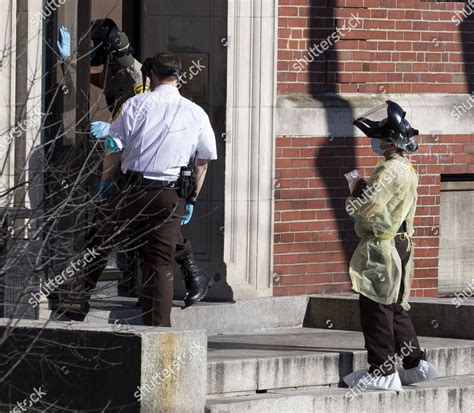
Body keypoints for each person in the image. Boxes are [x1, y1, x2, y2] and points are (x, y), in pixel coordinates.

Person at [56, 21, 213, 308]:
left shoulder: (137, 74)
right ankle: (188, 278)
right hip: (134, 169)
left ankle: (76, 294)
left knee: (111, 232)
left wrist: (112, 134)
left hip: (136, 164)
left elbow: (143, 112)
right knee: (138, 229)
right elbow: (88, 79)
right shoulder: (117, 71)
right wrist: (68, 61)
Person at [343, 101, 439, 391]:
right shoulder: (407, 168)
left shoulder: (387, 170)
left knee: (375, 308)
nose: (374, 142)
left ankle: (382, 370)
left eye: (377, 137)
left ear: (388, 140)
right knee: (394, 306)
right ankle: (413, 364)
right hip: (400, 243)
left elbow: (365, 207)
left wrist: (356, 188)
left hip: (382, 247)